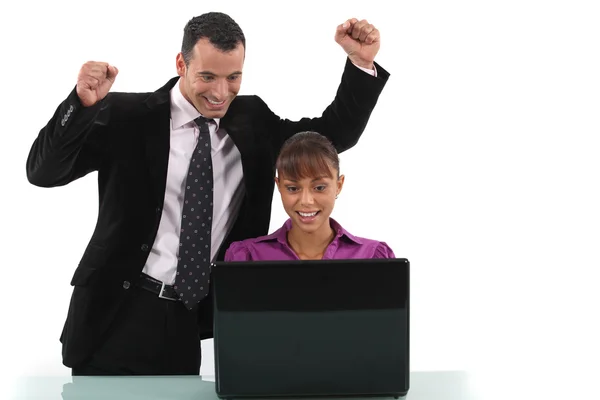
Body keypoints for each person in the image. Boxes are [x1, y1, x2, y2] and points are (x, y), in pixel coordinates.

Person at [26, 12, 390, 376]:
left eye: (233, 77)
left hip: (188, 317)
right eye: (207, 77)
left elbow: (328, 138)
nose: (220, 93)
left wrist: (361, 63)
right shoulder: (128, 116)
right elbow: (44, 173)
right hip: (115, 310)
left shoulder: (253, 120)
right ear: (181, 64)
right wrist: (81, 106)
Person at [225, 131, 395, 261]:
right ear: (279, 186)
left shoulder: (373, 256)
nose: (306, 201)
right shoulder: (249, 257)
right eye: (293, 188)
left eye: (319, 187)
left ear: (338, 185)